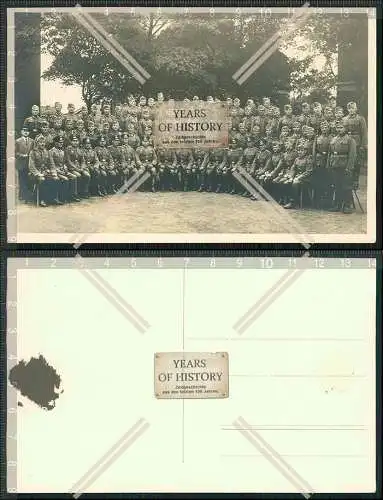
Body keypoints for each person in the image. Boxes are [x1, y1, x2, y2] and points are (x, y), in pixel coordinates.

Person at [327, 121, 357, 214]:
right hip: (335, 165)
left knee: (346, 186)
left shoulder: (350, 140)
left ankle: (347, 205)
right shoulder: (334, 139)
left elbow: (352, 155)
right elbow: (330, 153)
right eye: (338, 128)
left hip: (345, 165)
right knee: (337, 186)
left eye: (341, 127)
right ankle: (337, 204)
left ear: (345, 128)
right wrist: (329, 164)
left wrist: (349, 167)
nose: (339, 129)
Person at [28, 135, 60, 206]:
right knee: (42, 179)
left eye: (44, 142)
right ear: (37, 143)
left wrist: (54, 172)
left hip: (45, 172)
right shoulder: (33, 152)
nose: (42, 144)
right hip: (34, 173)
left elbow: (51, 164)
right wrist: (38, 174)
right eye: (40, 142)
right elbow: (31, 166)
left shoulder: (47, 152)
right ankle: (42, 199)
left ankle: (53, 198)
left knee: (56, 179)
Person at [343, 101, 367, 189]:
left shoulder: (361, 119)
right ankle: (348, 180)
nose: (351, 110)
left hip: (357, 142)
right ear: (347, 109)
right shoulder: (344, 119)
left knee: (356, 161)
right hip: (347, 142)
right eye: (349, 108)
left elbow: (364, 133)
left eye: (353, 108)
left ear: (356, 109)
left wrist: (363, 145)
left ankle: (355, 181)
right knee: (348, 160)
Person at [283, 142, 314, 209]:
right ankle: (287, 200)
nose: (300, 152)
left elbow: (309, 171)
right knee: (287, 181)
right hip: (297, 177)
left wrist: (299, 177)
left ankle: (293, 202)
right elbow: (293, 169)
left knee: (295, 183)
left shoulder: (308, 159)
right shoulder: (296, 159)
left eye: (302, 150)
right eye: (299, 150)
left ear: (305, 151)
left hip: (307, 179)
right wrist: (291, 177)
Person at [49, 135, 78, 202]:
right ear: (55, 143)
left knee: (74, 177)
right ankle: (61, 197)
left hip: (62, 170)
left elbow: (64, 162)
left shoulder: (62, 151)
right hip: (55, 171)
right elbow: (51, 164)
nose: (61, 144)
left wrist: (65, 168)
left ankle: (72, 195)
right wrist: (58, 171)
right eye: (59, 142)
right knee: (65, 179)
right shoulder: (51, 151)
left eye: (62, 142)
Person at [15, 126, 34, 201]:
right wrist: (22, 155)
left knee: (28, 179)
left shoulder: (32, 141)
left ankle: (28, 196)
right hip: (21, 163)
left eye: (27, 131)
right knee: (22, 179)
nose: (26, 132)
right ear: (21, 132)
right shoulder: (18, 141)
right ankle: (21, 195)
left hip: (29, 163)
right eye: (24, 130)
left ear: (29, 132)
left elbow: (33, 151)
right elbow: (15, 153)